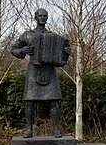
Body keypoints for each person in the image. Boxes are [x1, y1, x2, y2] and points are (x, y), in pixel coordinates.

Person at [11, 8, 71, 138]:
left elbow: (61, 60)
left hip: (49, 70)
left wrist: (66, 53)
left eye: (45, 15)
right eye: (40, 15)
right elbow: (14, 49)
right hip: (33, 70)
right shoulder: (27, 35)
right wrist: (23, 51)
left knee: (54, 101)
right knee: (29, 102)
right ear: (36, 17)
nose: (43, 18)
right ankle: (29, 130)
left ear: (47, 18)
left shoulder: (54, 37)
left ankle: (56, 129)